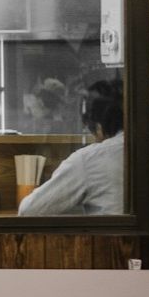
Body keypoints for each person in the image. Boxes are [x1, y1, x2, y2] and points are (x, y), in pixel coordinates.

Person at [19, 79, 124, 216]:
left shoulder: (88, 159)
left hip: (109, 237)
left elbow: (28, 210)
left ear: (99, 128)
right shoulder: (148, 149)